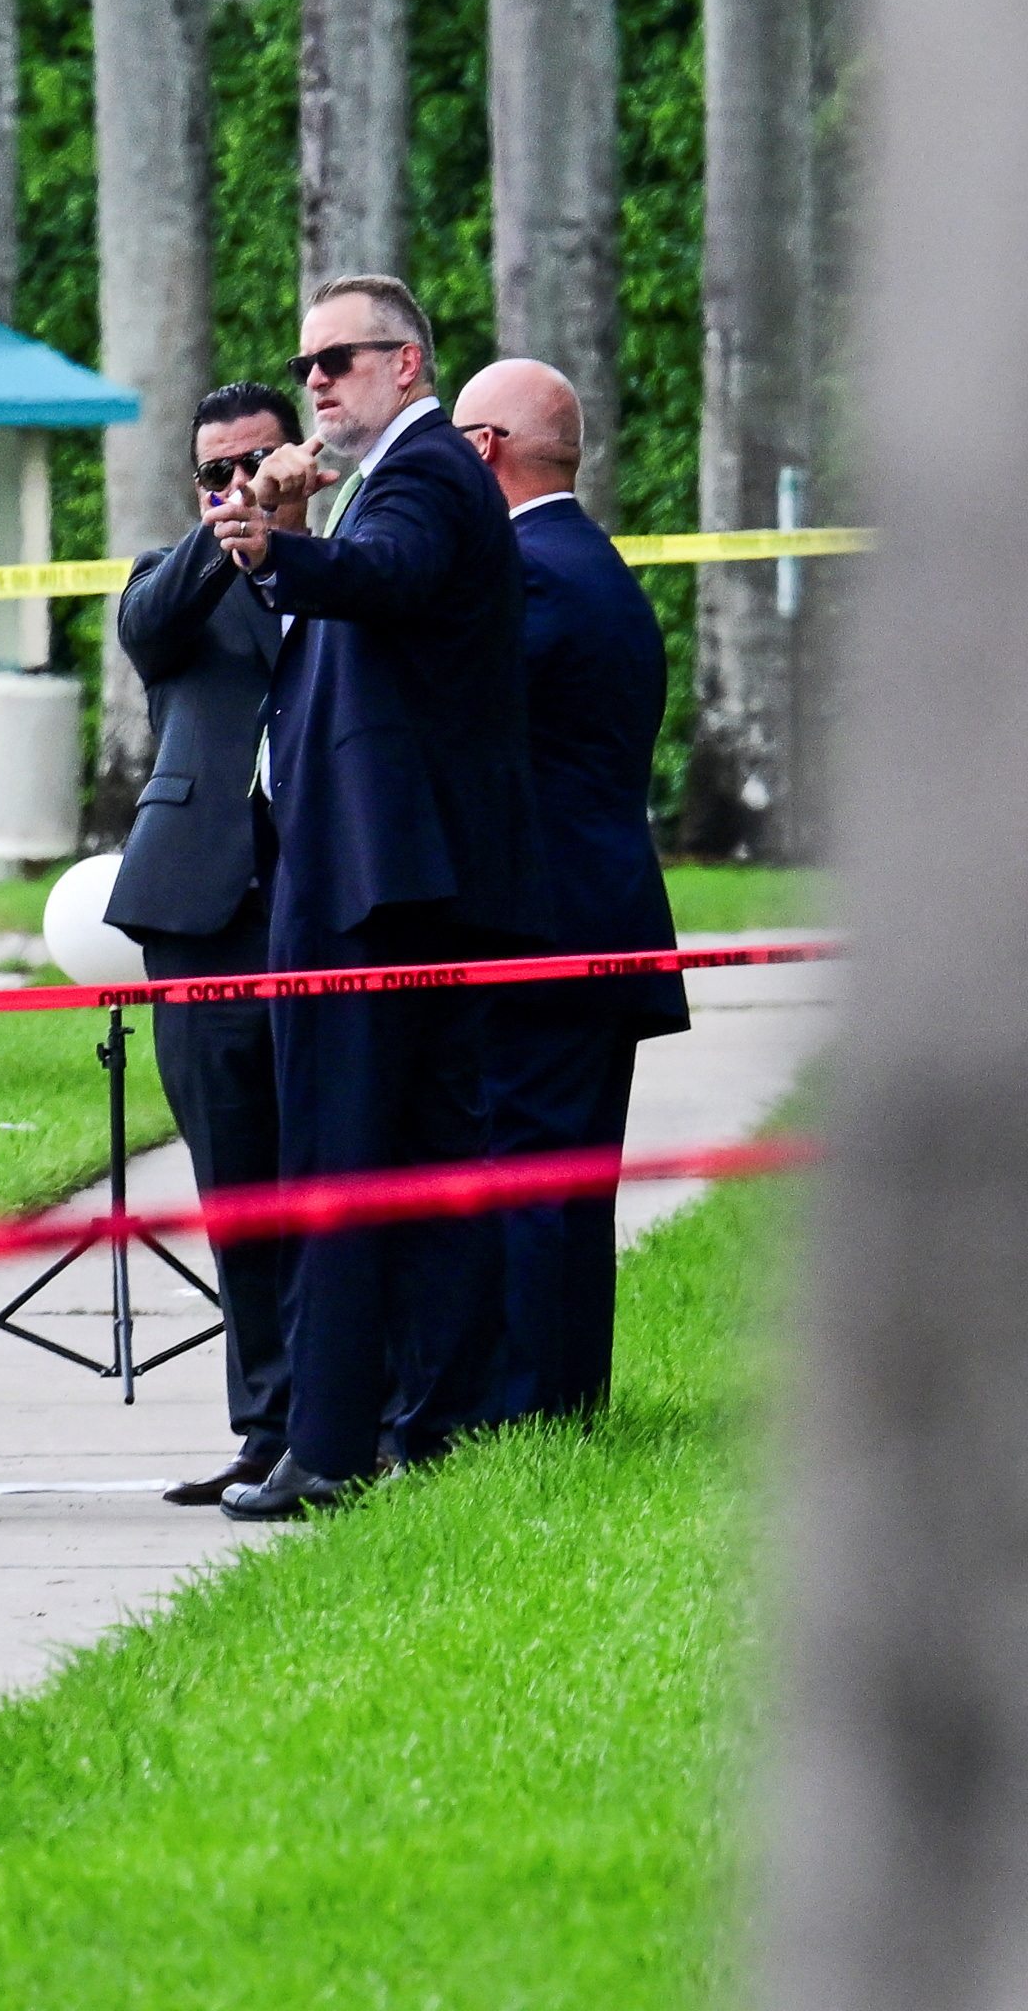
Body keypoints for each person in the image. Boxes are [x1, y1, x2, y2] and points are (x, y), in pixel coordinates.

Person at [207, 274, 544, 1514]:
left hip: (374, 886)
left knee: (342, 1160)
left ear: (408, 364)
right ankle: (431, 1421)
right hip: (401, 878)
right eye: (306, 364)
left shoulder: (423, 472)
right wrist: (295, 538)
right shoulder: (398, 475)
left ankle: (335, 1444)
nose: (314, 383)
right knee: (425, 1156)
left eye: (337, 360)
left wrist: (282, 549)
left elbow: (391, 575)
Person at [454, 357, 691, 1421]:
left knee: (532, 1169)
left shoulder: (530, 572)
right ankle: (564, 1395)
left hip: (545, 922)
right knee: (568, 1174)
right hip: (600, 910)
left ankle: (535, 1407)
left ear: (486, 447)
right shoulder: (593, 561)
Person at [112, 378, 308, 1507]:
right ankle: (265, 1423)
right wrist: (224, 535)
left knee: (330, 1159)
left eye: (259, 463)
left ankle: (350, 1412)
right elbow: (146, 630)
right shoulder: (170, 576)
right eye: (216, 472)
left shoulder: (351, 562)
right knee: (236, 1175)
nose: (239, 487)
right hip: (203, 907)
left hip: (323, 899)